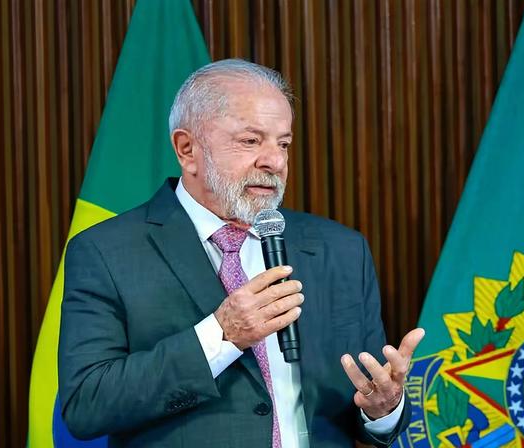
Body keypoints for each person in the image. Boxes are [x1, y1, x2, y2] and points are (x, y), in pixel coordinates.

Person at [57, 59, 424, 447]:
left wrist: (384, 409)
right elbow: (86, 405)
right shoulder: (107, 252)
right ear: (187, 149)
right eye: (251, 141)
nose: (275, 161)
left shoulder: (341, 250)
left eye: (283, 143)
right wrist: (221, 334)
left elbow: (360, 404)